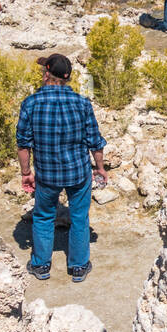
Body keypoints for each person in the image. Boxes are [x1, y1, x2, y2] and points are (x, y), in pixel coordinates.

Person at [15, 54, 108, 283]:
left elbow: (23, 144)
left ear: (46, 74)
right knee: (79, 217)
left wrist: (26, 173)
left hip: (47, 174)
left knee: (44, 216)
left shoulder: (31, 103)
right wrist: (100, 168)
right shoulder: (82, 103)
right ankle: (78, 267)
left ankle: (41, 265)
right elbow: (94, 141)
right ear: (66, 78)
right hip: (78, 172)